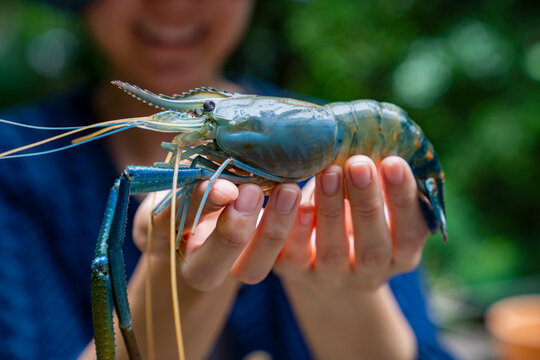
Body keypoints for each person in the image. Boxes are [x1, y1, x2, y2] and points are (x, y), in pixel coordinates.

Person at [0, 1, 453, 359]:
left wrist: (341, 290)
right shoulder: (14, 170)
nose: (172, 5)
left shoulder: (361, 168)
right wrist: (171, 282)